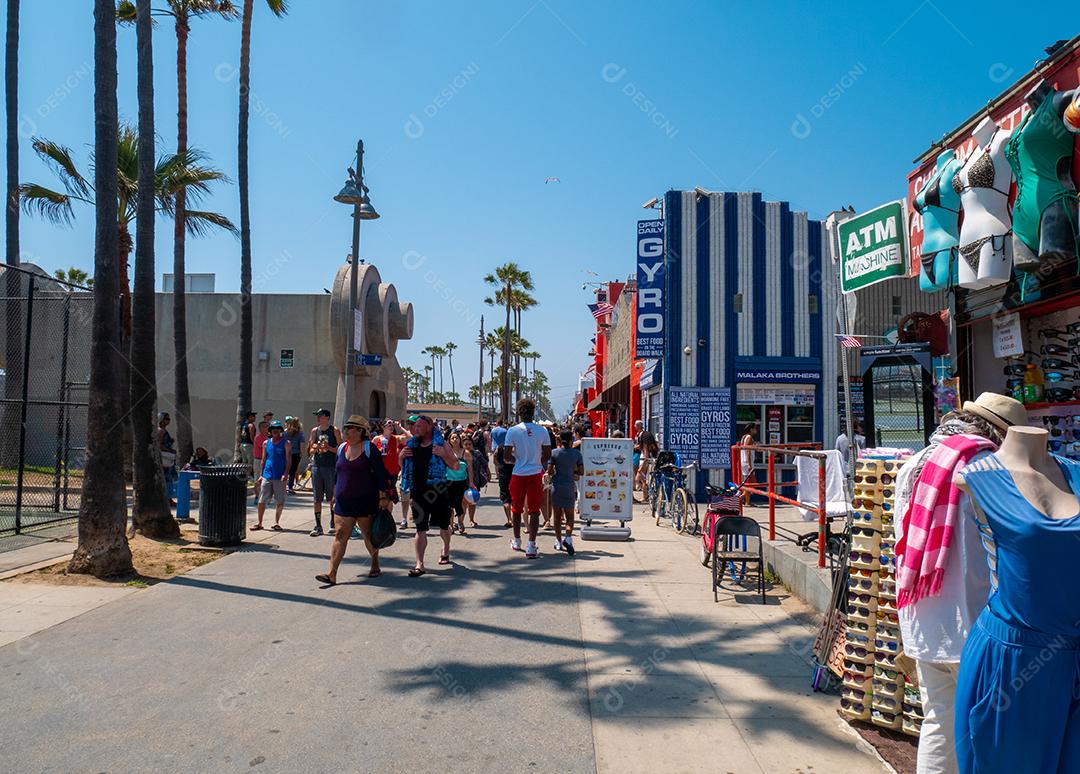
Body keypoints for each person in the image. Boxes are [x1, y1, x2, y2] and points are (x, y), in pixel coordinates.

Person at [893, 394, 1022, 774]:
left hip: (921, 615)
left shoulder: (915, 463)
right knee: (985, 727)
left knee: (938, 721)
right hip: (974, 621)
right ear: (998, 432)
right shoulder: (986, 466)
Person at [315, 415, 393, 585]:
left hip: (366, 500)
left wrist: (383, 496)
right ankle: (332, 573)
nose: (347, 432)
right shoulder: (342, 448)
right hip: (344, 501)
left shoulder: (369, 448)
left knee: (367, 535)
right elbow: (338, 474)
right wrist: (335, 494)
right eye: (346, 428)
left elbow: (380, 473)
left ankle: (374, 564)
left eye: (351, 428)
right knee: (340, 534)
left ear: (360, 431)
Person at [400, 415, 460, 576]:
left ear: (429, 427)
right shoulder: (412, 445)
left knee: (443, 526)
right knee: (420, 529)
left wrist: (443, 454)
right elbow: (403, 466)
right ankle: (419, 564)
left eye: (419, 426)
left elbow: (455, 465)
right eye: (414, 426)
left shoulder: (441, 444)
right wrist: (402, 456)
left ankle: (446, 547)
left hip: (438, 491)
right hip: (418, 492)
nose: (415, 428)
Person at [503, 398, 552, 559]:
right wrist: (536, 460)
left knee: (516, 509)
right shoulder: (542, 431)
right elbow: (547, 454)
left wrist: (518, 458)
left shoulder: (512, 431)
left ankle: (517, 541)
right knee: (534, 510)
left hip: (518, 474)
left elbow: (506, 456)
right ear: (533, 412)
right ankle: (531, 545)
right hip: (535, 473)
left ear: (519, 412)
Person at [547, 429, 583, 555]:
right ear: (571, 440)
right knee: (570, 517)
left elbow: (550, 471)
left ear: (559, 439)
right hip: (569, 487)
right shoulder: (577, 454)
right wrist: (572, 472)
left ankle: (558, 541)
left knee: (557, 518)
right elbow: (581, 472)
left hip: (556, 487)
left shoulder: (554, 453)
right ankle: (568, 537)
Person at [253, 420, 290, 531]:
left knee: (279, 500)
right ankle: (259, 522)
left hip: (280, 476)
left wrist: (286, 474)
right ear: (270, 431)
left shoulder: (286, 443)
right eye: (273, 429)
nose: (275, 431)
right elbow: (263, 459)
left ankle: (276, 522)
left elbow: (289, 460)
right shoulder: (266, 443)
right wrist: (261, 475)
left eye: (278, 429)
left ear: (281, 430)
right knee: (261, 500)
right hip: (267, 475)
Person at [307, 409, 339, 536]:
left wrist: (328, 448)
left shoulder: (334, 430)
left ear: (327, 417)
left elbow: (340, 449)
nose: (318, 418)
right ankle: (318, 525)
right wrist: (313, 449)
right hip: (317, 466)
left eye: (320, 416)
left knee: (332, 497)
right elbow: (310, 450)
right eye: (317, 416)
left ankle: (333, 523)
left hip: (331, 467)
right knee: (317, 498)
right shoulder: (315, 431)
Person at [373, 419, 406, 526]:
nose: (391, 427)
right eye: (389, 425)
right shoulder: (376, 439)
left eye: (392, 425)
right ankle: (378, 517)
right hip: (378, 472)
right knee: (378, 495)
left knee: (389, 496)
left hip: (391, 472)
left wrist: (400, 427)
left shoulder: (396, 438)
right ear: (383, 427)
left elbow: (411, 438)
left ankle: (387, 518)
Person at [445, 432, 473, 535]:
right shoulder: (447, 452)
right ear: (449, 441)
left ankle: (460, 523)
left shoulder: (465, 453)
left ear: (460, 440)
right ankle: (451, 525)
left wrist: (471, 483)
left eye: (456, 438)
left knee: (461, 504)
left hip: (462, 482)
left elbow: (470, 469)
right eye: (452, 438)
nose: (455, 440)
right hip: (449, 482)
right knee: (449, 505)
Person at [634, 419, 658, 494]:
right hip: (646, 458)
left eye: (635, 425)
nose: (634, 426)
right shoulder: (641, 435)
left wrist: (642, 465)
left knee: (638, 478)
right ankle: (646, 495)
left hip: (646, 459)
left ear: (638, 426)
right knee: (643, 479)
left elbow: (646, 452)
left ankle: (647, 492)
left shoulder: (645, 436)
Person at [158, 412, 177, 503]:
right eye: (166, 419)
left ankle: (168, 498)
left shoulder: (163, 430)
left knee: (168, 479)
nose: (168, 421)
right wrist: (169, 450)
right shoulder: (161, 431)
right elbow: (160, 445)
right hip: (165, 458)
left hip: (165, 457)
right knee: (167, 479)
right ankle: (167, 499)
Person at [284, 416, 306, 494]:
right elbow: (302, 445)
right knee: (292, 472)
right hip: (295, 454)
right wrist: (301, 454)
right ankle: (290, 488)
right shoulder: (300, 434)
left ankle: (283, 487)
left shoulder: (285, 432)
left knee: (285, 470)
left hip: (285, 453)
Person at [462, 434, 480, 527]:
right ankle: (461, 522)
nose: (468, 446)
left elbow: (484, 464)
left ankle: (472, 519)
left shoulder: (476, 453)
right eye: (466, 444)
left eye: (469, 444)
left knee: (472, 502)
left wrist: (488, 473)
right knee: (463, 502)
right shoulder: (461, 454)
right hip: (463, 480)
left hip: (474, 480)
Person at [739, 422, 758, 505]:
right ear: (751, 429)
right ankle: (743, 497)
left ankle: (746, 501)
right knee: (751, 482)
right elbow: (748, 451)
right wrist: (749, 464)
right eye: (755, 428)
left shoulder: (744, 437)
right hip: (747, 462)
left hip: (744, 461)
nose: (756, 430)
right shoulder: (749, 437)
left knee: (748, 482)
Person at [252, 420, 269, 504]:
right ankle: (257, 496)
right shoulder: (258, 437)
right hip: (258, 460)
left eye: (268, 426)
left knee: (266, 479)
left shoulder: (269, 437)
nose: (267, 428)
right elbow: (264, 447)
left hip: (267, 460)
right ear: (261, 428)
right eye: (265, 426)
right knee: (257, 478)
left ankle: (264, 497)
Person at [238, 410, 256, 477]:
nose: (255, 418)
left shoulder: (243, 425)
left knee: (244, 462)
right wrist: (255, 444)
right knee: (250, 462)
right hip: (249, 445)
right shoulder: (251, 425)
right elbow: (252, 437)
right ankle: (248, 477)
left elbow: (240, 435)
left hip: (242, 444)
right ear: (250, 417)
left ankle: (244, 476)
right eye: (253, 416)